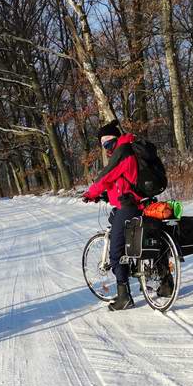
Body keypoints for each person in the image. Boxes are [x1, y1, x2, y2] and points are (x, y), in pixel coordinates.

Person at [82, 121, 143, 310]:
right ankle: (165, 285)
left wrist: (90, 193)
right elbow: (121, 180)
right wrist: (105, 195)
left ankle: (124, 297)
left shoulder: (122, 151)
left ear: (113, 140)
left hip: (130, 206)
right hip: (144, 201)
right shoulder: (132, 148)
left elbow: (106, 176)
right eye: (104, 146)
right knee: (145, 241)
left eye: (107, 144)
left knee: (116, 252)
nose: (107, 148)